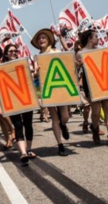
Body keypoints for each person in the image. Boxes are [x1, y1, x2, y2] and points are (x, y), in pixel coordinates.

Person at [77, 30, 108, 148]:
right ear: (90, 39)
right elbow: (75, 70)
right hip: (91, 85)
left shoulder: (103, 50)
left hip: (105, 83)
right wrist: (78, 64)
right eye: (96, 37)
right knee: (96, 111)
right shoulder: (81, 53)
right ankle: (95, 129)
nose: (98, 39)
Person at [31, 28, 71, 156]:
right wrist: (36, 73)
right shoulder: (37, 57)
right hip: (47, 88)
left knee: (65, 116)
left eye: (43, 38)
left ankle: (63, 125)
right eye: (39, 38)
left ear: (49, 40)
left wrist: (61, 38)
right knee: (54, 116)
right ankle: (60, 145)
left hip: (59, 87)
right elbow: (35, 76)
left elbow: (67, 59)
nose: (41, 40)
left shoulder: (56, 51)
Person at [3, 43, 35, 165]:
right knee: (17, 125)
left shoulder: (23, 63)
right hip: (12, 100)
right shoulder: (2, 67)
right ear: (6, 54)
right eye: (10, 51)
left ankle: (29, 149)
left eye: (15, 51)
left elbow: (30, 78)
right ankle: (23, 153)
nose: (13, 53)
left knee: (28, 124)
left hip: (25, 97)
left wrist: (33, 72)